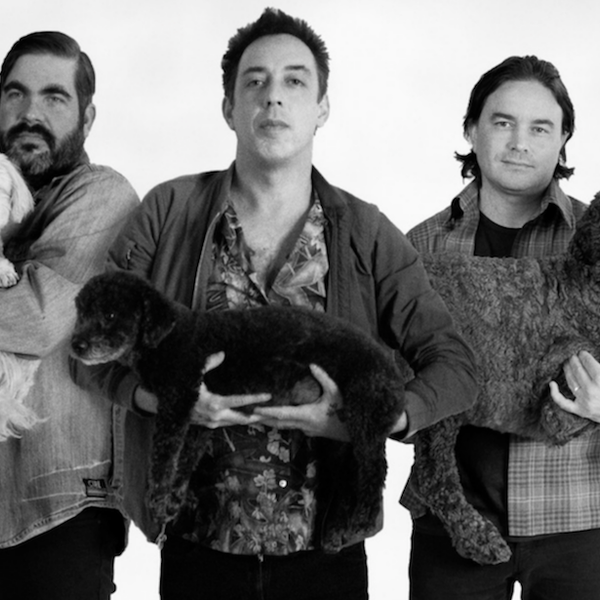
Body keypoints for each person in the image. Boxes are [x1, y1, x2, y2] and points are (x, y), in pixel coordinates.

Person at [73, 9, 477, 600]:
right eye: (255, 81)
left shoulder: (366, 233)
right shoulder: (168, 211)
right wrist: (160, 399)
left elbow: (455, 365)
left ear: (322, 108)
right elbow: (90, 346)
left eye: (294, 81)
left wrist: (371, 417)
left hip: (326, 558)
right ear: (228, 107)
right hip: (195, 550)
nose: (273, 97)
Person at [403, 55, 600, 599]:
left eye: (540, 128)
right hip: (449, 523)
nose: (519, 143)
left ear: (563, 141)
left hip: (578, 521)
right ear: (471, 129)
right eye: (503, 122)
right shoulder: (418, 248)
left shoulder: (593, 246)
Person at [0, 32, 139, 599]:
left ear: (87, 115)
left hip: (57, 512)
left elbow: (36, 318)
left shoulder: (102, 197)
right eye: (15, 93)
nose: (30, 113)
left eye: (54, 97)